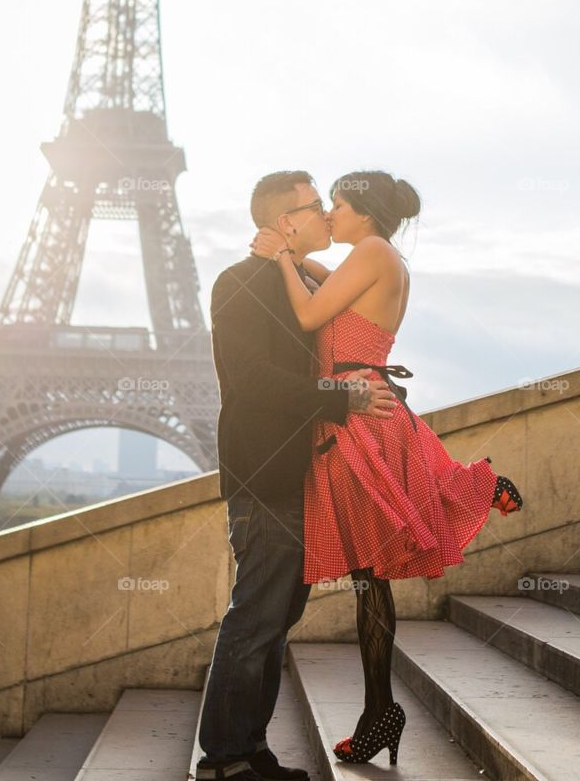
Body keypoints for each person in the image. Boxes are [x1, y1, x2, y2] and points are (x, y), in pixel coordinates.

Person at [250, 170, 523, 768]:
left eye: (338, 206)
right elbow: (324, 286)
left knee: (368, 571)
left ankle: (380, 711)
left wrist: (277, 261)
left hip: (357, 413)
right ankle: (379, 709)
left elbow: (306, 316)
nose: (330, 215)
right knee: (368, 574)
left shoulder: (371, 250)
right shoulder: (377, 255)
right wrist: (295, 258)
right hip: (360, 405)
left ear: (364, 215)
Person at [195, 171, 399, 781]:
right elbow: (252, 380)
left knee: (276, 622)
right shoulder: (239, 283)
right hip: (264, 473)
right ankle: (225, 760)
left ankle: (249, 749)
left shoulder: (295, 283)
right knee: (256, 617)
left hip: (305, 476)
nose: (326, 217)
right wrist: (341, 396)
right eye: (316, 207)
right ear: (286, 221)